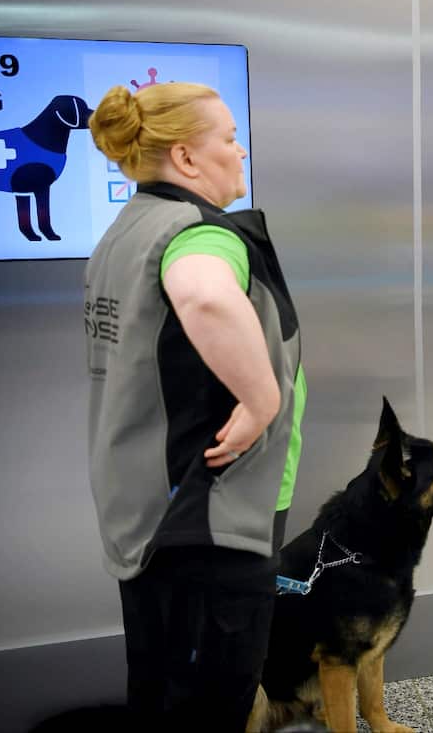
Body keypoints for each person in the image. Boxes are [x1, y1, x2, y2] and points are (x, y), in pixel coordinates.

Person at [84, 82, 307, 729]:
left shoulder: (128, 232)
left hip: (152, 514)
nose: (241, 151)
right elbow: (205, 296)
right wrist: (262, 396)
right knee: (211, 706)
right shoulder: (196, 235)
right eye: (229, 138)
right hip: (208, 519)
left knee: (161, 694)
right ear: (184, 158)